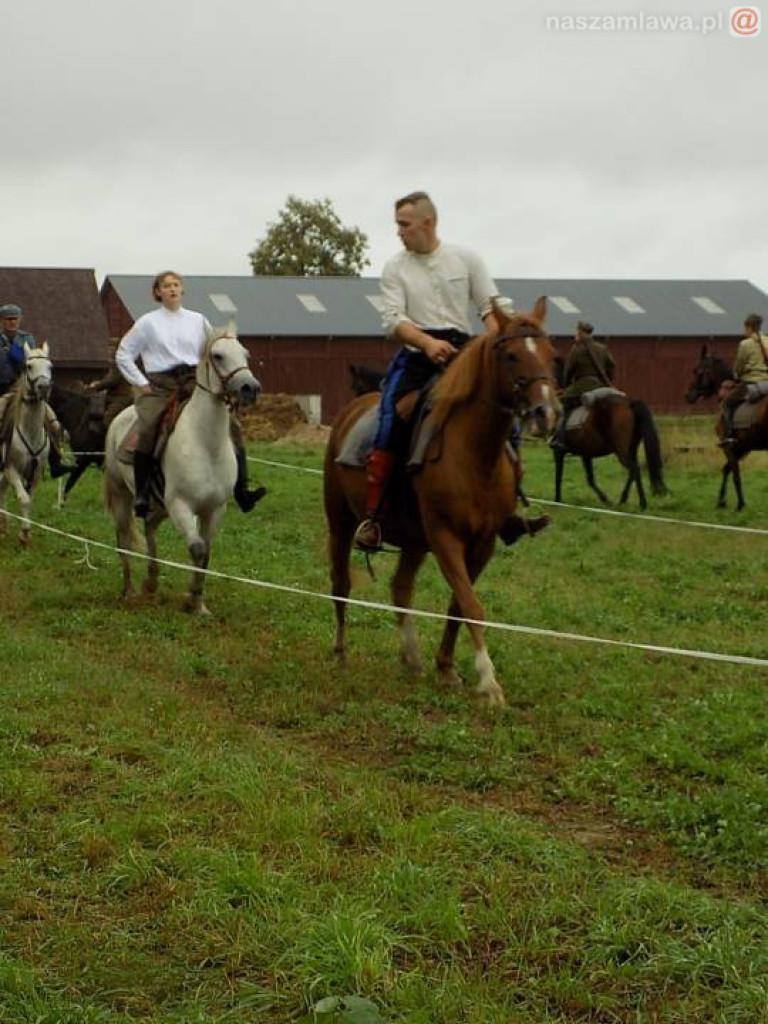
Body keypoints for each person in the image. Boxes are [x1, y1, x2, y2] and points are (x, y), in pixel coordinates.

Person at [353, 191, 549, 552]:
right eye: (397, 224)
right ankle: (375, 517)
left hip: (466, 352)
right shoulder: (395, 268)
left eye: (404, 224)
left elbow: (491, 307)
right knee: (390, 422)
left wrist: (498, 340)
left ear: (428, 223)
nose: (399, 232)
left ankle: (509, 507)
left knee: (507, 420)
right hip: (416, 355)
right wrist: (427, 343)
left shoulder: (466, 259)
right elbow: (393, 320)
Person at [115, 270, 266, 518]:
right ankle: (142, 493)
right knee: (149, 426)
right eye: (166, 286)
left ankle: (242, 490)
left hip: (192, 382)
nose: (172, 289)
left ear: (182, 290)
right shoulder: (147, 322)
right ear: (157, 292)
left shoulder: (198, 320)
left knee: (233, 426)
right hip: (159, 385)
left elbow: (213, 352)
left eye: (176, 285)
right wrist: (139, 381)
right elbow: (123, 353)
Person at [0, 302, 72, 478]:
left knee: (49, 419)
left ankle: (56, 460)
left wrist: (13, 350)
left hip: (23, 387)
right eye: (8, 319)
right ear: (2, 320)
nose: (12, 323)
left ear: (20, 320)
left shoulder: (27, 339)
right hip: (2, 388)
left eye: (15, 319)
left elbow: (29, 361)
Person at [550, 321, 616, 451]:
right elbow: (612, 366)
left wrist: (566, 385)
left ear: (580, 333)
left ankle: (560, 438)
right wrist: (607, 380)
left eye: (576, 332)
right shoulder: (602, 348)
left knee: (561, 405)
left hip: (582, 386)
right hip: (600, 385)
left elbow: (569, 370)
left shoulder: (577, 349)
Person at [719, 313, 768, 446]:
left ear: (749, 327)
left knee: (726, 404)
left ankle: (728, 436)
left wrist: (737, 375)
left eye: (745, 328)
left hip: (751, 382)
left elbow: (739, 365)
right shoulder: (767, 341)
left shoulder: (745, 344)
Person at [85, 338, 133, 428]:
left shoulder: (120, 361)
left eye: (111, 348)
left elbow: (112, 380)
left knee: (108, 419)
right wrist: (99, 382)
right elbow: (109, 377)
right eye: (109, 348)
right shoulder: (116, 362)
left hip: (121, 397)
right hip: (118, 396)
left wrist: (96, 385)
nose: (109, 351)